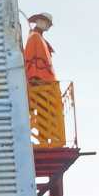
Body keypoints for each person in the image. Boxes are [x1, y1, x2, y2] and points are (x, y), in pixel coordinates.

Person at [24, 12, 65, 146]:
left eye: (48, 23)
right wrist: (34, 78)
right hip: (41, 83)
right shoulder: (34, 37)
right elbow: (31, 61)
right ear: (38, 21)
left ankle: (46, 140)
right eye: (44, 22)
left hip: (46, 84)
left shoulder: (38, 38)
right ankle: (44, 140)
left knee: (46, 113)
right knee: (44, 112)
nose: (46, 25)